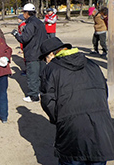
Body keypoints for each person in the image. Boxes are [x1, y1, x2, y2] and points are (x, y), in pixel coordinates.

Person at [39, 37, 114, 165]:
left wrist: (60, 119)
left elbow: (48, 101)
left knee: (73, 159)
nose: (46, 62)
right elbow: (103, 91)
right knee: (97, 159)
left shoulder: (51, 69)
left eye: (45, 58)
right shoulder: (92, 64)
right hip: (101, 126)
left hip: (71, 130)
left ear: (51, 54)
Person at [11, 3, 47, 102]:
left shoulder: (30, 24)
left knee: (32, 75)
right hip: (41, 52)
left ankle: (33, 95)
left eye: (24, 13)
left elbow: (24, 38)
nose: (23, 15)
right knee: (41, 74)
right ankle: (40, 92)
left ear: (27, 13)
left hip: (33, 53)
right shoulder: (40, 22)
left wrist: (16, 34)